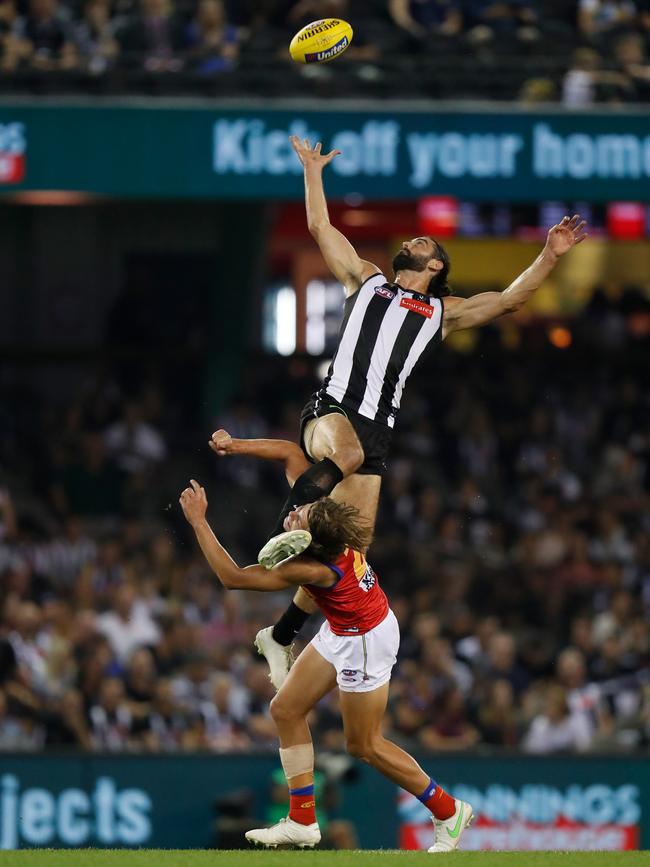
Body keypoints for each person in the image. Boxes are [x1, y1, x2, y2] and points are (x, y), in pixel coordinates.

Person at [238, 135, 589, 689]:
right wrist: (312, 172)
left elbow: (509, 300)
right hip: (332, 410)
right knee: (344, 455)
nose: (418, 239)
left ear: (436, 266)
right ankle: (288, 523)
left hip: (377, 434)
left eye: (427, 243)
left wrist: (547, 255)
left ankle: (280, 635)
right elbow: (321, 230)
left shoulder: (441, 313)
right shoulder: (367, 278)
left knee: (350, 553)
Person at [179, 476, 473, 852]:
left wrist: (199, 521)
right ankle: (302, 820)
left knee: (364, 745)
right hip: (345, 625)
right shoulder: (332, 539)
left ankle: (448, 811)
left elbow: (232, 577)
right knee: (285, 709)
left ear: (310, 543)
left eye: (301, 517)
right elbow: (297, 470)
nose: (296, 511)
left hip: (365, 640)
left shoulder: (313, 568)